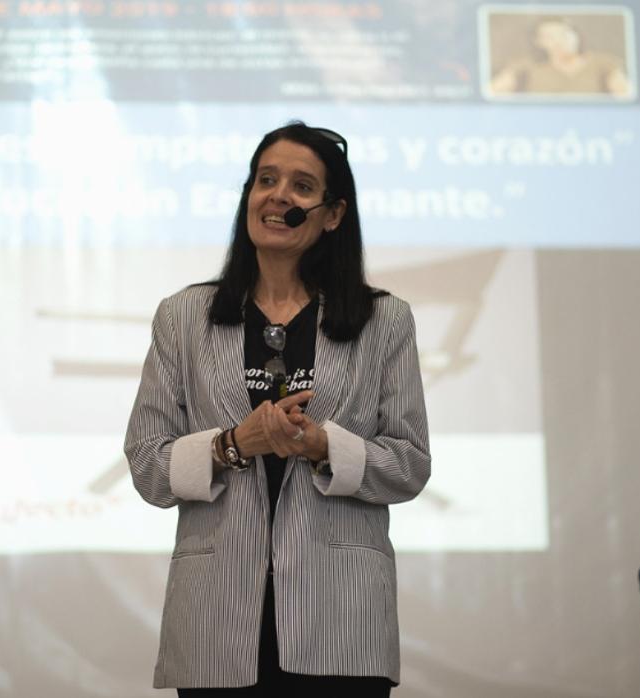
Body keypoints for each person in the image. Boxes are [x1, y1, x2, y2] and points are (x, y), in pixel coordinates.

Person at [124, 122, 431, 695]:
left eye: (301, 186)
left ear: (332, 215)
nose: (278, 196)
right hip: (217, 624)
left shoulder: (384, 321)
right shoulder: (183, 317)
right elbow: (147, 465)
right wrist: (235, 443)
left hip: (342, 624)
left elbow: (410, 464)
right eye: (266, 180)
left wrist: (323, 447)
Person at [490, 16, 631, 97]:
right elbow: (493, 91)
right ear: (539, 42)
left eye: (565, 33)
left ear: (576, 35)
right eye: (551, 37)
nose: (560, 41)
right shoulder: (526, 66)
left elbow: (626, 96)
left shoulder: (603, 63)